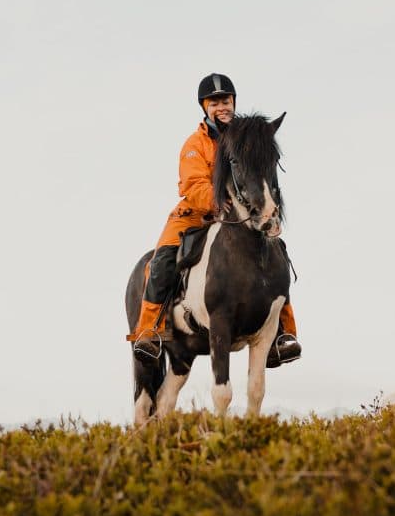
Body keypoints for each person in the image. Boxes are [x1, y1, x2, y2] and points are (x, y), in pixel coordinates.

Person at [127, 73, 301, 367]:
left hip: (244, 214)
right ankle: (150, 331)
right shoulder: (195, 144)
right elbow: (192, 185)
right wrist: (220, 202)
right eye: (215, 102)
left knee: (275, 252)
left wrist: (263, 207)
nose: (222, 106)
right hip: (196, 214)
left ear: (234, 102)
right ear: (205, 107)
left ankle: (283, 335)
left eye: (226, 100)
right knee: (161, 260)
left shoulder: (246, 139)